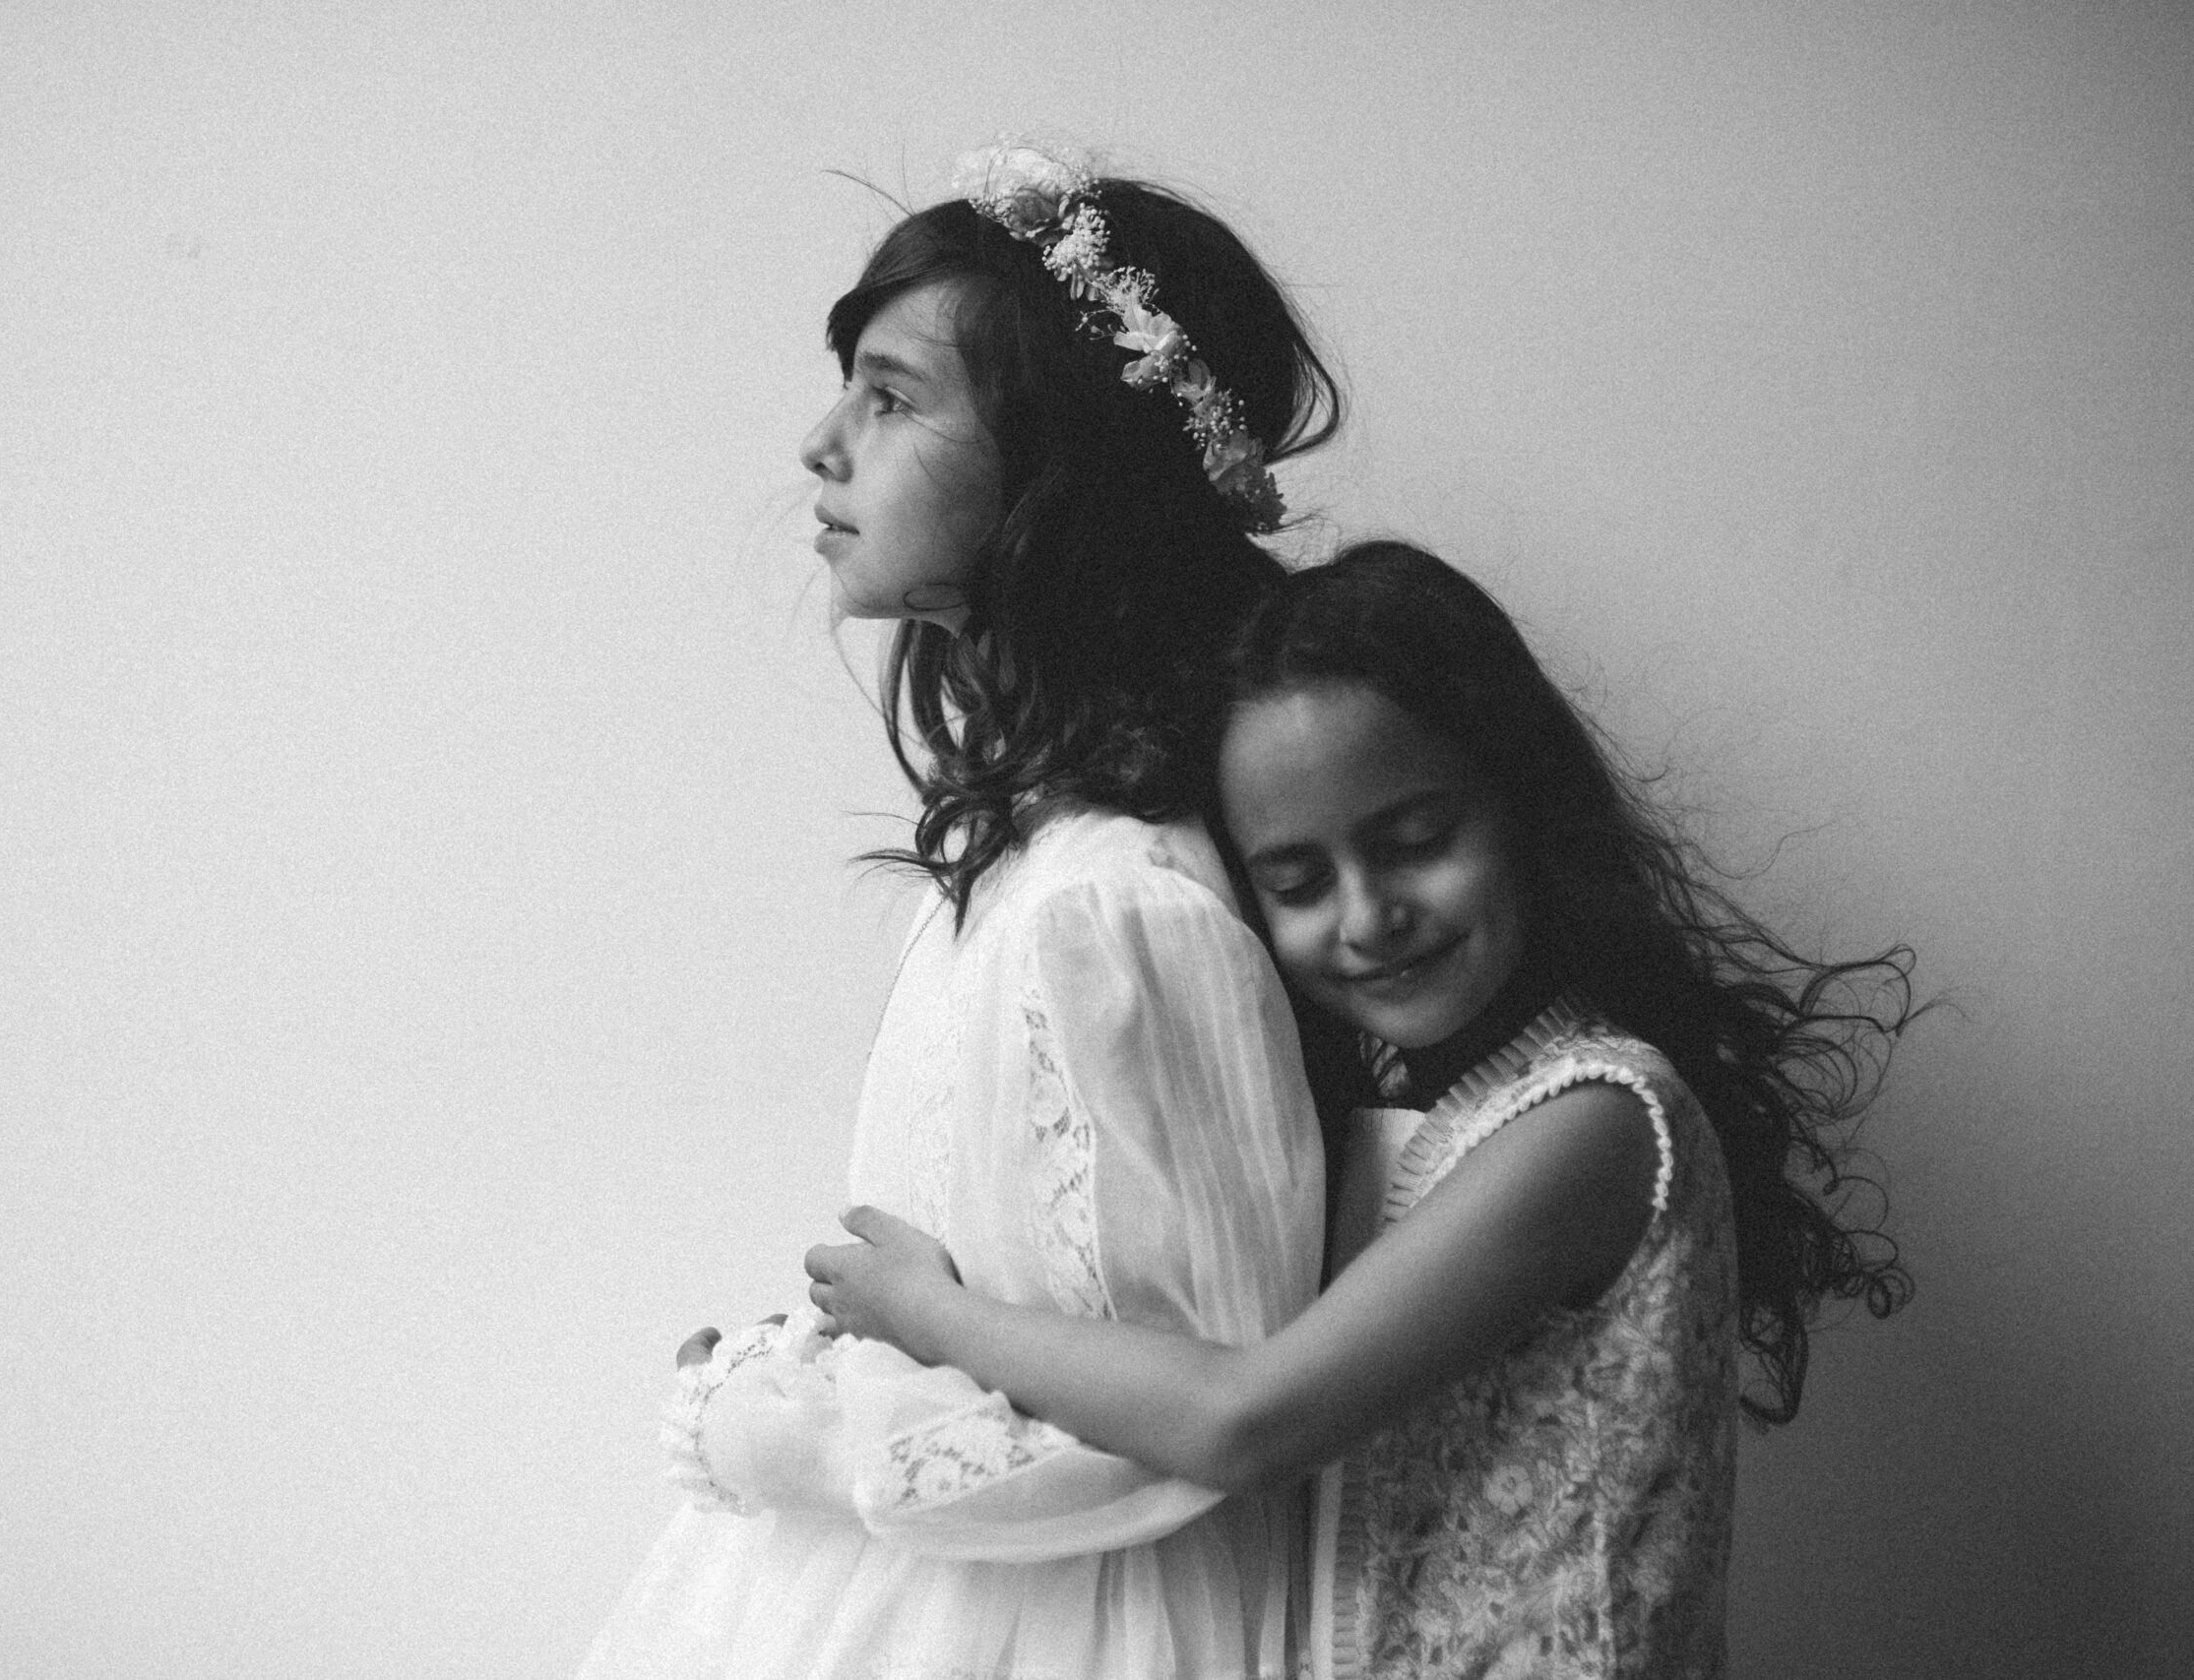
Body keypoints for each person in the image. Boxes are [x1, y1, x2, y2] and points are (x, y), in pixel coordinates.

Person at [809, 541, 1920, 1678]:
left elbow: (1244, 1421)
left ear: (1523, 807)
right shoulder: (1394, 1111)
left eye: (1414, 843)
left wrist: (928, 1313)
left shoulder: (1593, 1121)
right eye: (1298, 883)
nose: (1368, 915)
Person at [576, 144, 1343, 1680]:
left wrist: (792, 1428)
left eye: (893, 397)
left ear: (1061, 468)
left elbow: (1201, 1418)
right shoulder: (1026, 862)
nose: (820, 444)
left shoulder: (1120, 907)